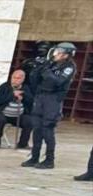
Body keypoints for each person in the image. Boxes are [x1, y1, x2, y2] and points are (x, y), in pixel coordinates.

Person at [21, 42, 77, 170]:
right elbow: (35, 80)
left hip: (53, 99)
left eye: (59, 52)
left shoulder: (69, 67)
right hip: (41, 97)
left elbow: (57, 81)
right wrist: (37, 69)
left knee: (47, 128)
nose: (56, 54)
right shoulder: (51, 64)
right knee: (37, 128)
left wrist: (46, 71)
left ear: (66, 55)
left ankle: (49, 159)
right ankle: (34, 157)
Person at [0, 69, 33, 149]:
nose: (15, 80)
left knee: (29, 121)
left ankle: (22, 144)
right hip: (3, 113)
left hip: (18, 115)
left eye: (18, 78)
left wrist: (23, 97)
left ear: (22, 79)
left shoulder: (25, 88)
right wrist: (12, 95)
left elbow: (31, 101)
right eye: (14, 78)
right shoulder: (4, 87)